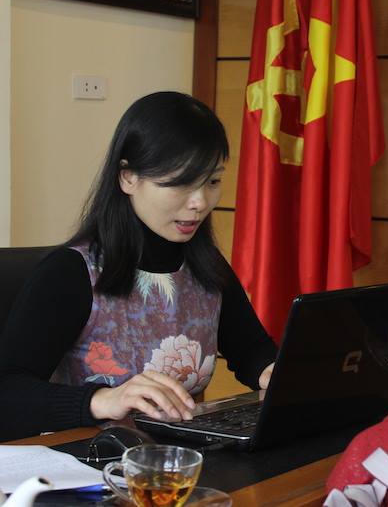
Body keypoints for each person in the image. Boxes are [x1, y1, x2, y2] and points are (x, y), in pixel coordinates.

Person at [0, 92, 278, 441]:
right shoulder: (71, 272)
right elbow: (8, 394)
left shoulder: (205, 267)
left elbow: (251, 349)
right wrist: (103, 400)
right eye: (179, 183)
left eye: (212, 182)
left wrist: (272, 372)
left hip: (179, 457)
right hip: (89, 460)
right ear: (128, 177)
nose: (199, 202)